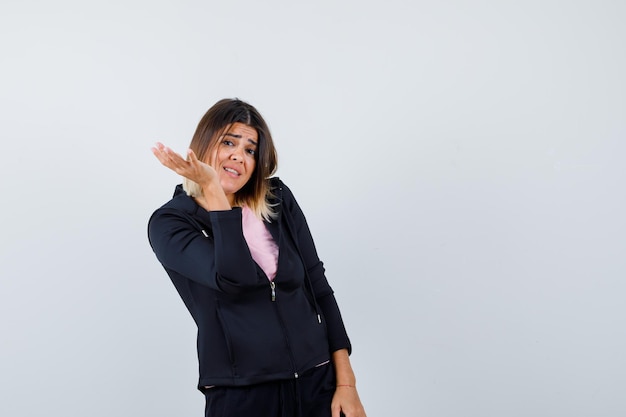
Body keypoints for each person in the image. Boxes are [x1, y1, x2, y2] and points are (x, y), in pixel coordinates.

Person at [148, 98, 367, 417]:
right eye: (229, 142)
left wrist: (346, 384)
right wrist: (212, 189)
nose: (240, 155)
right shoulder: (170, 223)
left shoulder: (278, 200)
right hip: (243, 396)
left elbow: (319, 288)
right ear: (204, 143)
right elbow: (231, 278)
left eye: (251, 149)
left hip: (319, 384)